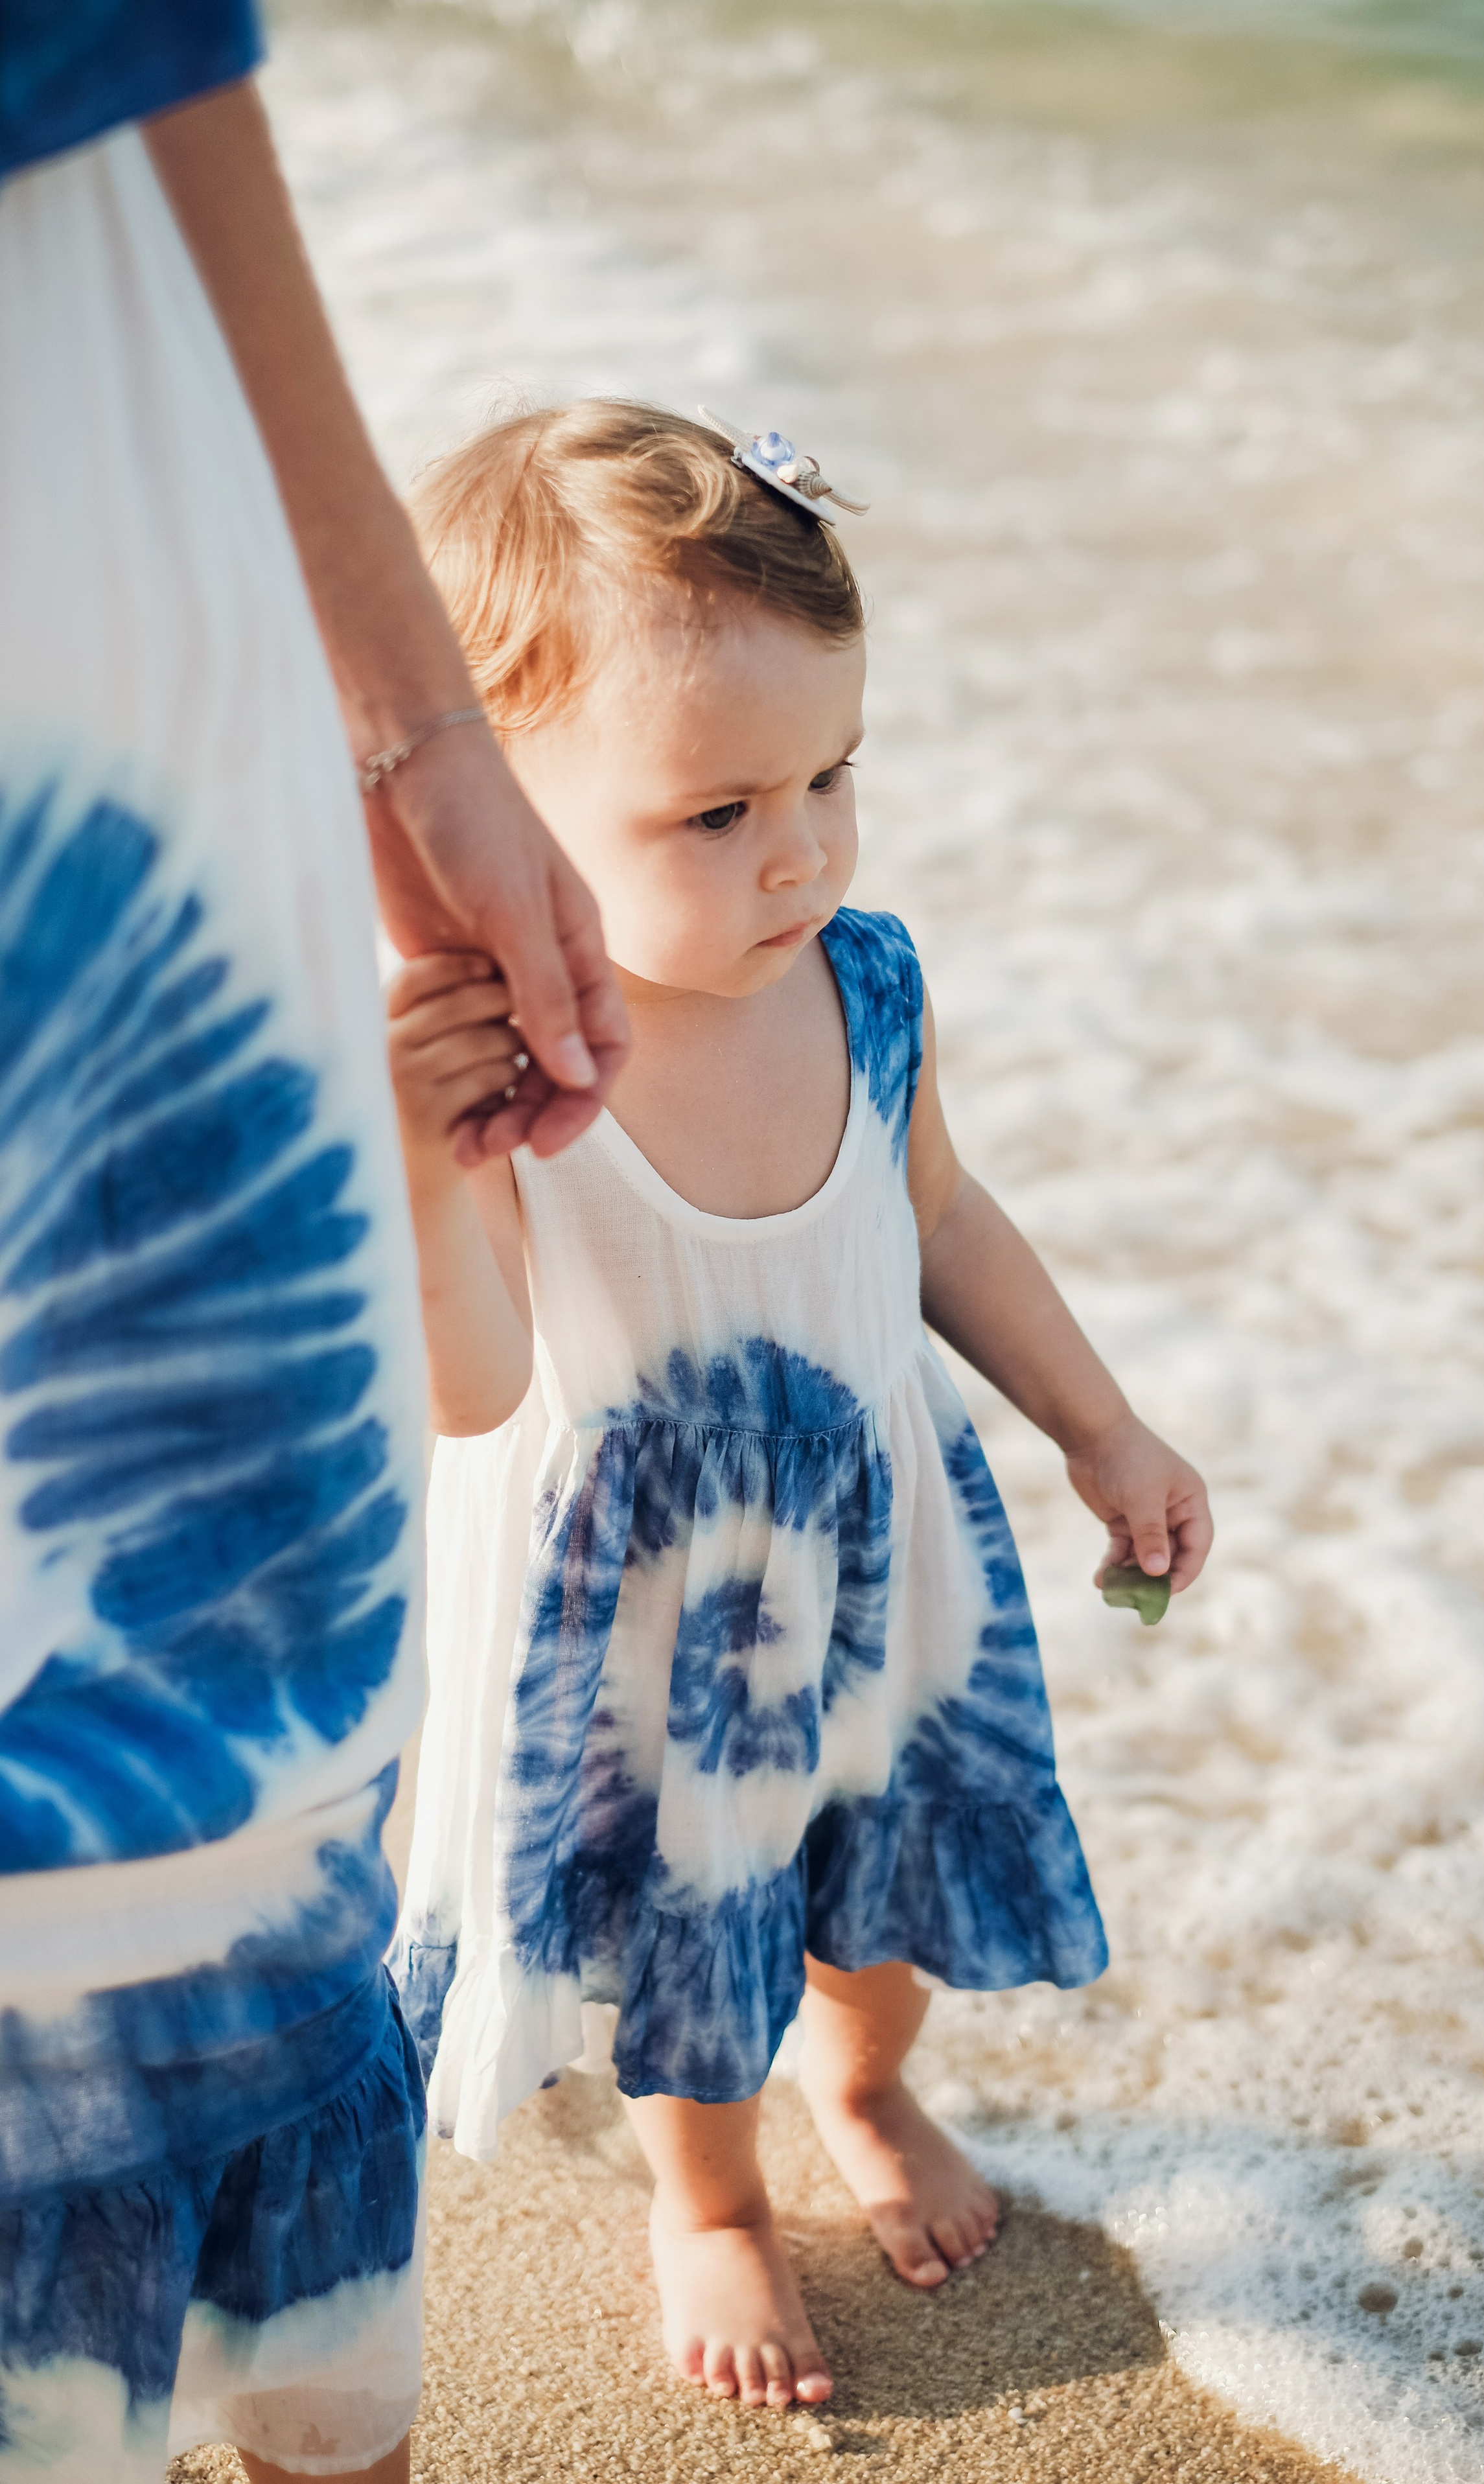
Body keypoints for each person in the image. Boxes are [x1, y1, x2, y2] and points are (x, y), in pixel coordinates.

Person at [388, 401, 1214, 2411]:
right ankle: (716, 2196)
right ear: (504, 808)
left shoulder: (867, 982)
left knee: (887, 1881)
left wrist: (1100, 1425)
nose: (807, 846)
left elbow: (943, 1220)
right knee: (698, 1948)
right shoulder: (520, 1073)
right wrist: (419, 1162)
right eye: (718, 811)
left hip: (884, 1551)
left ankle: (867, 2080)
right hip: (662, 1627)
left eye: (833, 773)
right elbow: (477, 1389)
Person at [0, 12, 626, 2480]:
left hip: (82, 519)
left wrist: (412, 716)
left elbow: (145, 52)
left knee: (223, 1731)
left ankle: (312, 2379)